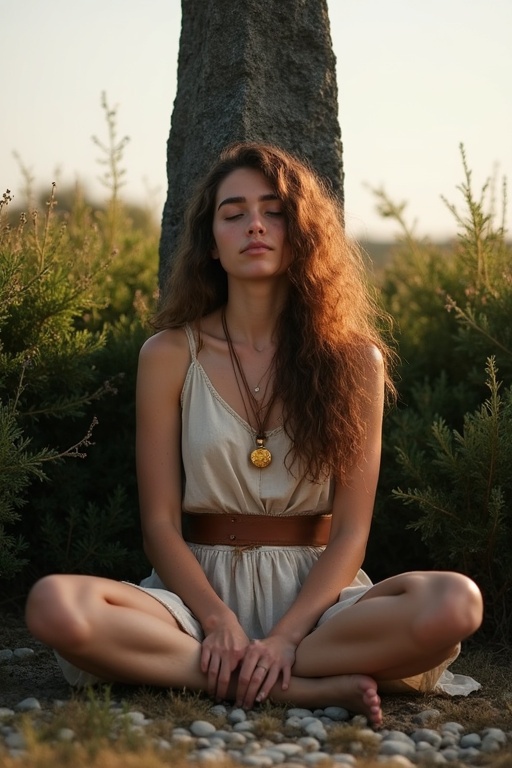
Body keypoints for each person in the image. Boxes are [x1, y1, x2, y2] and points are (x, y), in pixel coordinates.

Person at [25, 142, 483, 728]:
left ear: (302, 232)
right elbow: (160, 525)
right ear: (210, 242)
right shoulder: (169, 354)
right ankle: (294, 688)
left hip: (318, 603)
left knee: (455, 602)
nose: (255, 226)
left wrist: (289, 634)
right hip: (195, 593)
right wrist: (217, 620)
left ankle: (263, 665)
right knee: (55, 606)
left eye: (274, 210)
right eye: (233, 212)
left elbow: (350, 532)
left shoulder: (354, 360)